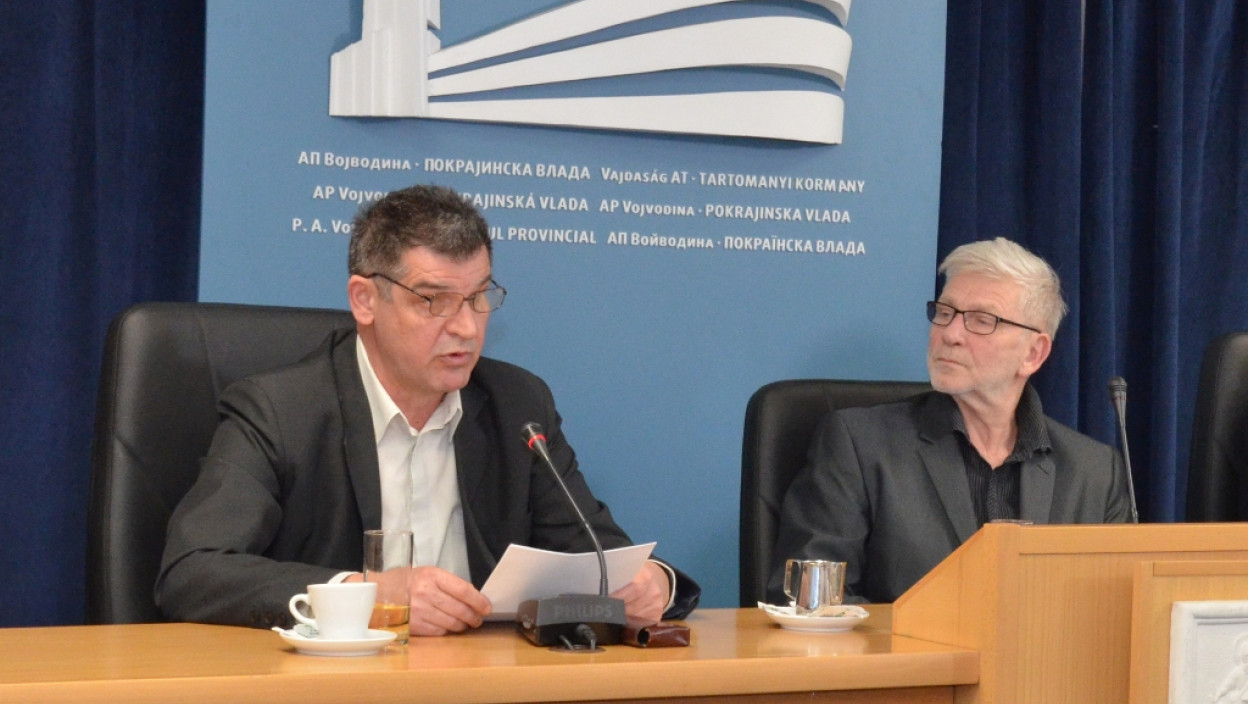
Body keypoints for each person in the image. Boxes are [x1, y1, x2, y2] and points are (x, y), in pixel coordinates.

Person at [157, 184, 699, 635]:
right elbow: (193, 571)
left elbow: (598, 554)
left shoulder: (517, 405)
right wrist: (366, 595)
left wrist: (652, 582)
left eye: (478, 297)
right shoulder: (280, 411)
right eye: (433, 300)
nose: (465, 327)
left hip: (481, 682)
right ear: (365, 300)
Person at [768, 237, 1131, 604]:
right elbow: (809, 601)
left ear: (1033, 354)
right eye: (944, 313)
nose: (950, 334)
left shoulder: (1095, 473)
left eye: (982, 320)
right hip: (905, 644)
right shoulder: (859, 445)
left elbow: (1118, 609)